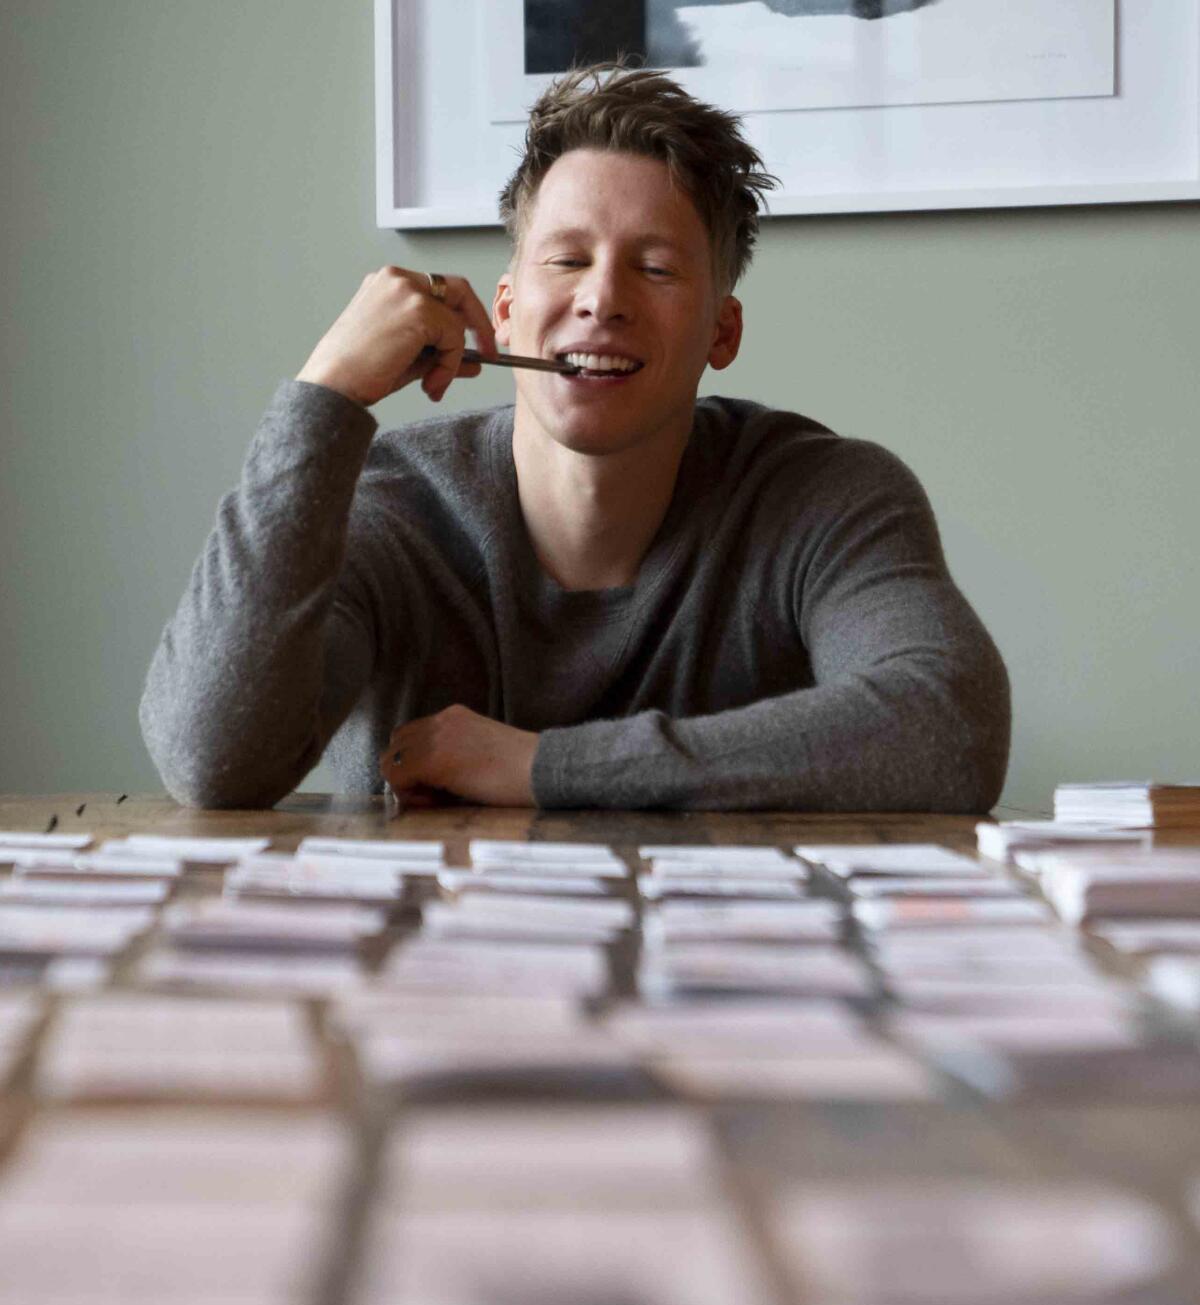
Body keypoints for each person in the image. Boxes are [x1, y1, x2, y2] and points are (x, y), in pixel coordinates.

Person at [140, 65, 1009, 812]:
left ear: (722, 332)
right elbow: (211, 760)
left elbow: (948, 728)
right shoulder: (391, 507)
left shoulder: (827, 496)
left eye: (657, 266)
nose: (603, 298)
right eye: (565, 259)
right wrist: (325, 394)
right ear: (507, 307)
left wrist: (541, 767)